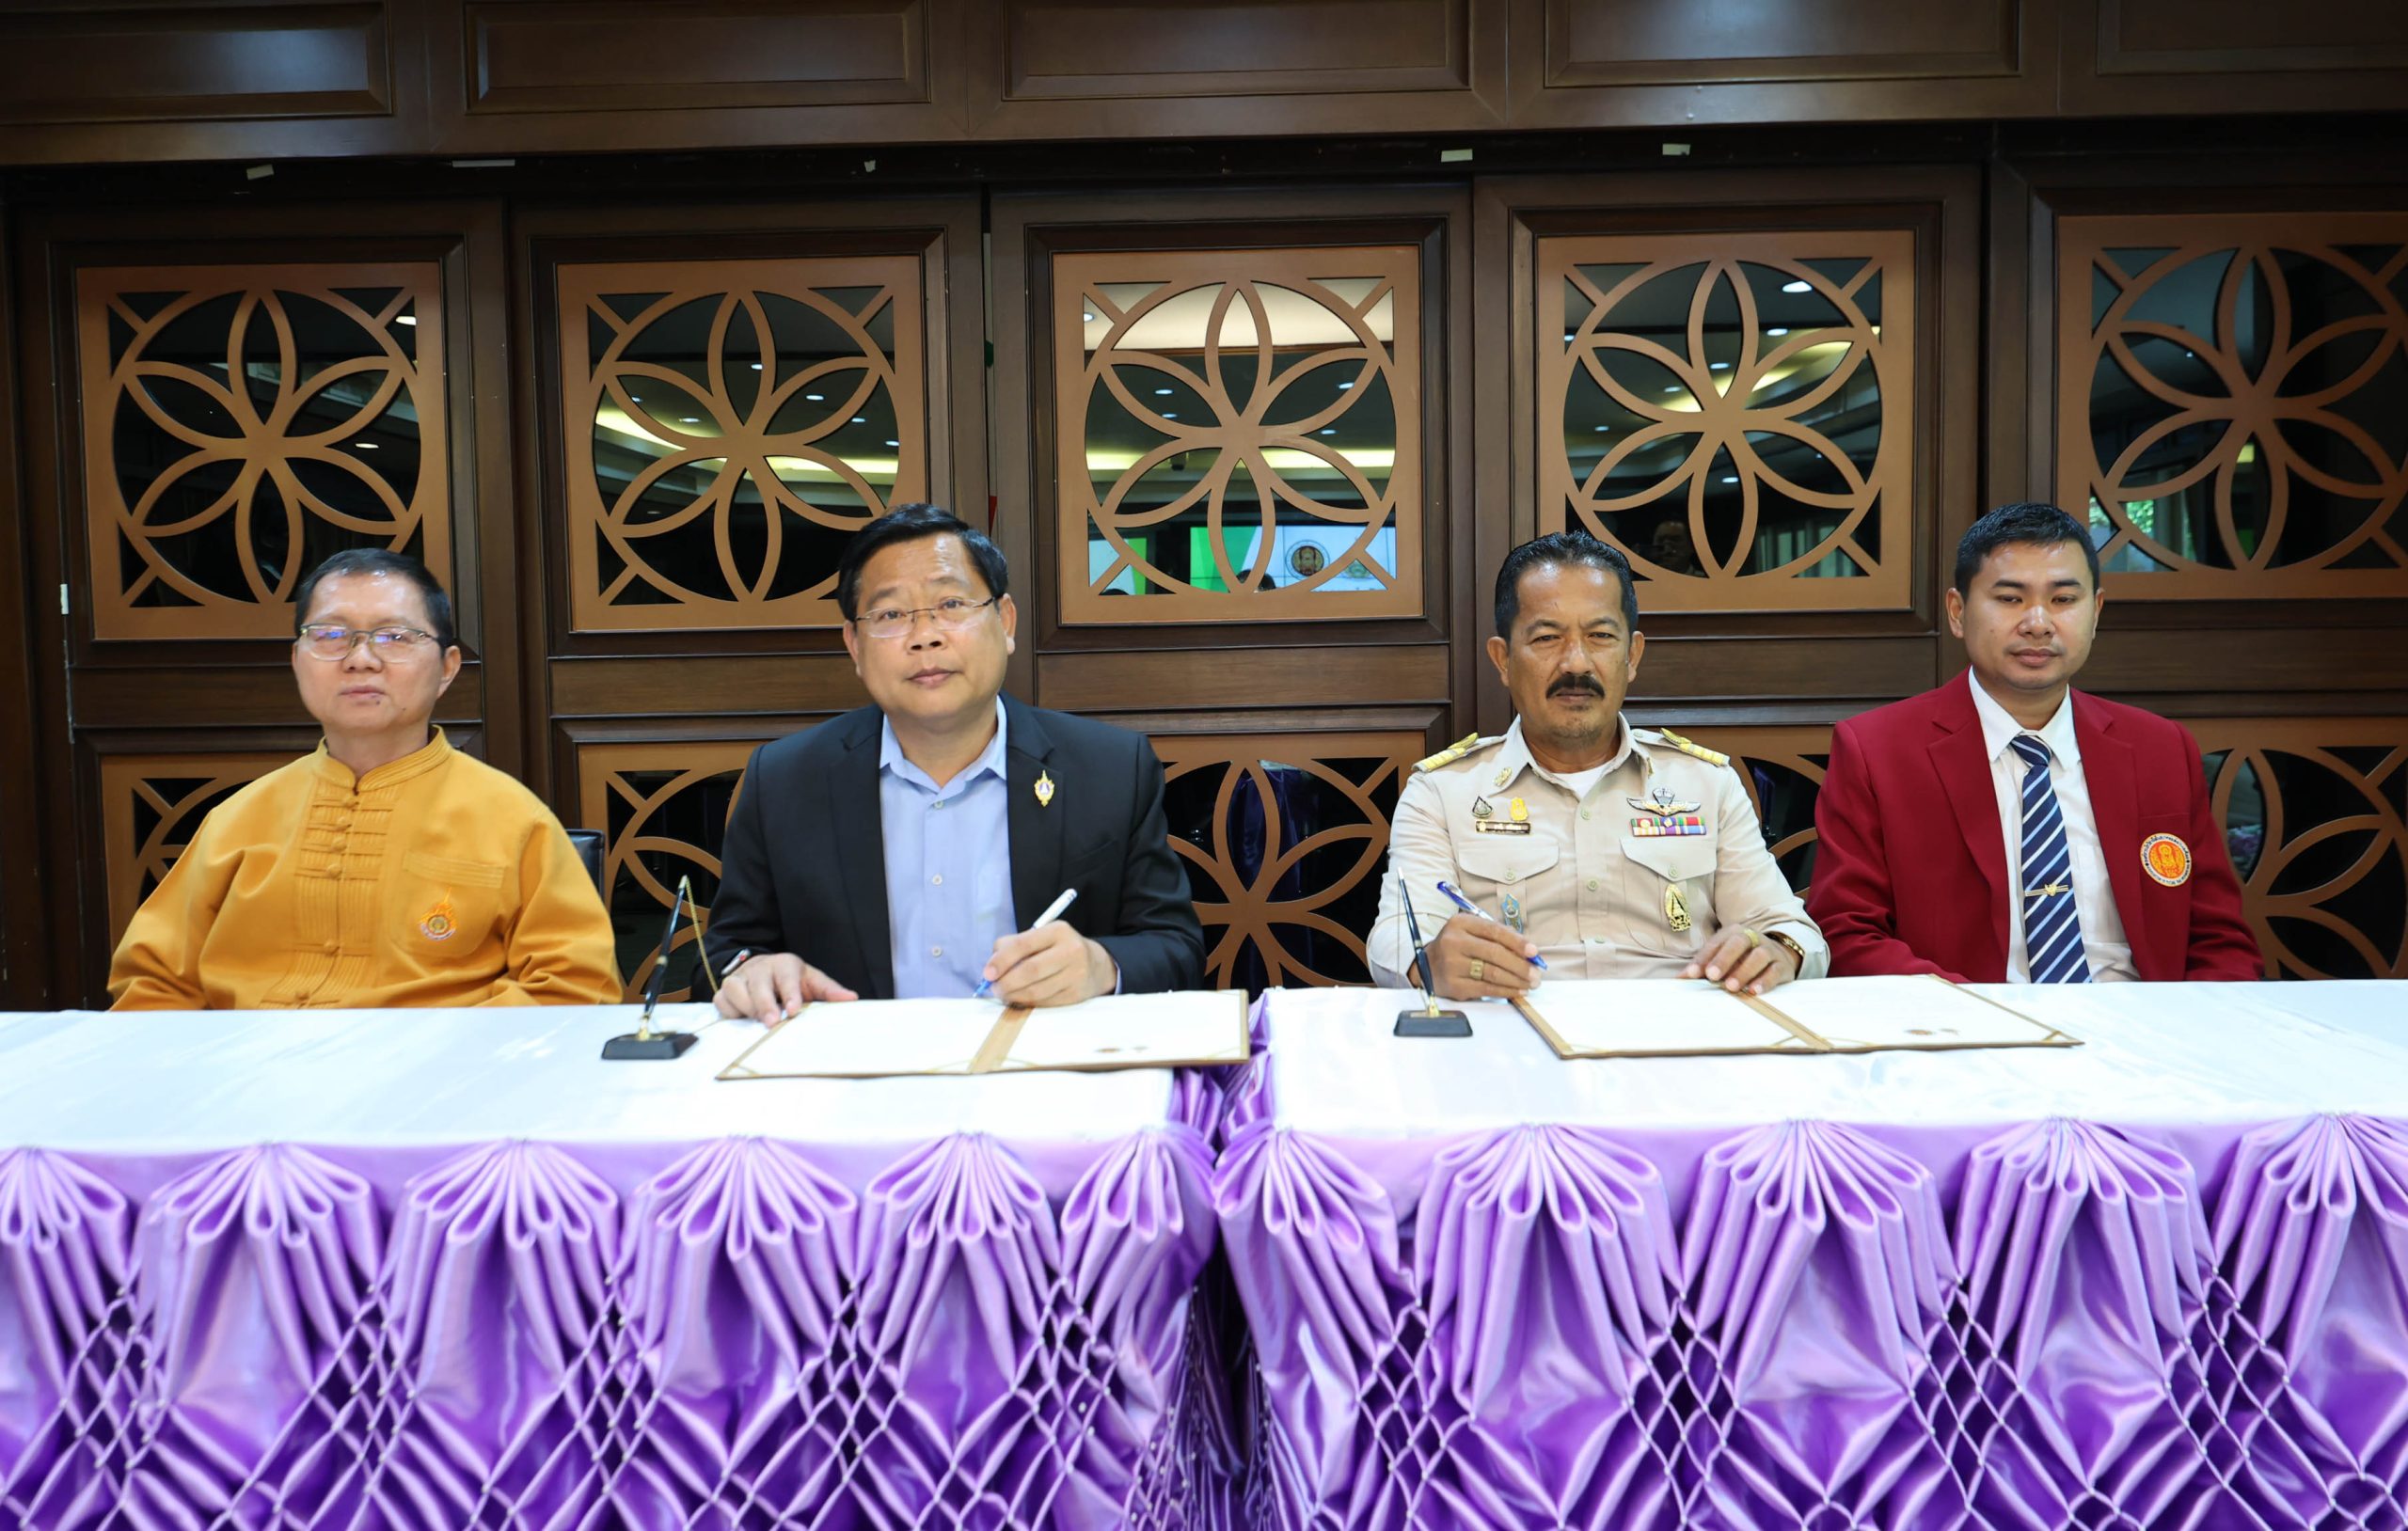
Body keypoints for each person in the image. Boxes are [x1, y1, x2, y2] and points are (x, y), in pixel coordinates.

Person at [705, 503, 1203, 1021]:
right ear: (854, 645)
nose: (926, 635)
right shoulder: (783, 781)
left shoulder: (1109, 769)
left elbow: (1176, 949)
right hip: (857, 1080)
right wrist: (751, 972)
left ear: (1005, 622)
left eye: (951, 603)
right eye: (891, 614)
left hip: (1042, 1075)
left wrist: (1101, 965)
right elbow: (721, 955)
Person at [109, 550, 623, 1009]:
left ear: (446, 668)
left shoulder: (514, 820)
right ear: (296, 661)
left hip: (435, 1092)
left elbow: (573, 986)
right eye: (330, 635)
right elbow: (152, 984)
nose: (360, 659)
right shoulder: (237, 818)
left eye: (394, 637)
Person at [1809, 502, 2261, 982]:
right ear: (1958, 612)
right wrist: (1986, 1020)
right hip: (1971, 1034)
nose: (2039, 623)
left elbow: (2219, 939)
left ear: (2096, 612)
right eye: (2009, 599)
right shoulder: (1877, 751)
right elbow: (1847, 932)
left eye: (2064, 600)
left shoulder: (2160, 748)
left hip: (2144, 1033)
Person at [1370, 532, 1826, 1001]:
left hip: (1678, 1039)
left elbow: (1791, 930)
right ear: (1503, 660)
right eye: (1547, 637)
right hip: (1513, 1037)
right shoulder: (1443, 791)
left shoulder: (1705, 784)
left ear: (1632, 655)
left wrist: (1776, 950)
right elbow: (1397, 938)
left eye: (1601, 637)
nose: (1576, 663)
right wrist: (1429, 962)